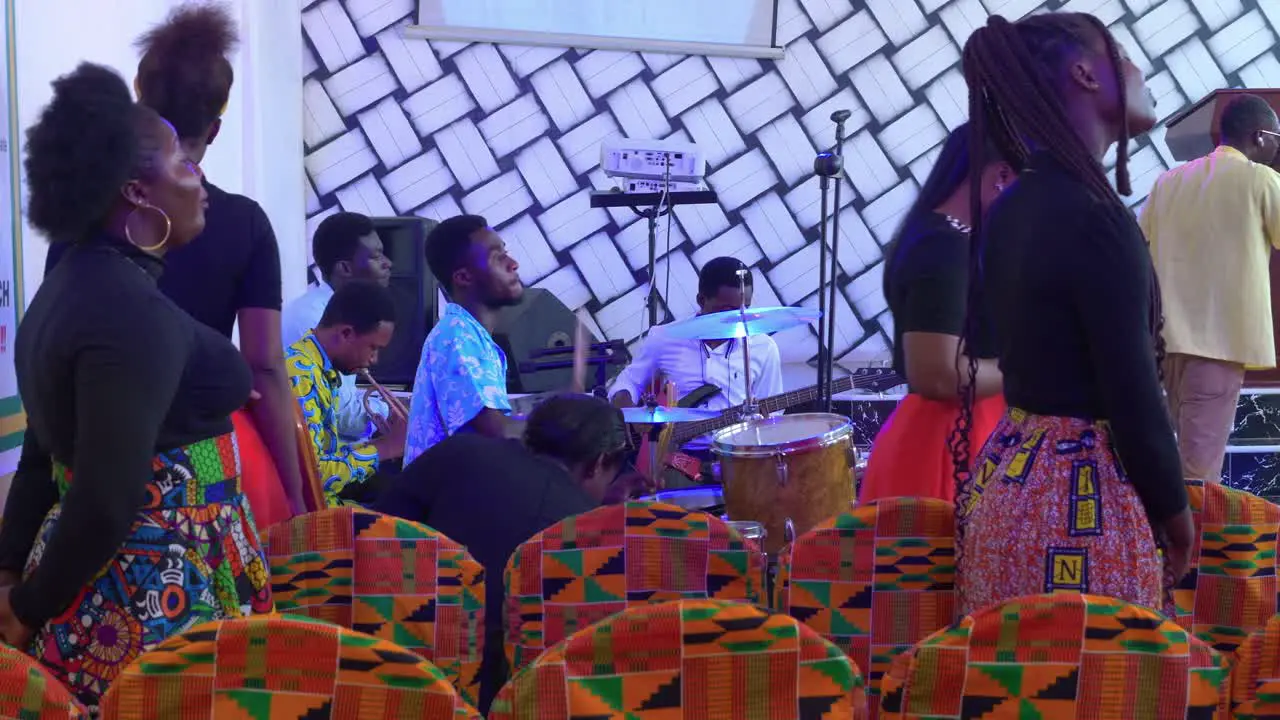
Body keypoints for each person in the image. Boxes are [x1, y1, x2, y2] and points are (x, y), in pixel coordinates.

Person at [0, 63, 271, 709]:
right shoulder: (126, 311)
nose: (198, 176)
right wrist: (27, 605)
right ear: (136, 193)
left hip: (133, 575)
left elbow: (44, 454)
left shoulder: (80, 290)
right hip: (149, 591)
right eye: (182, 164)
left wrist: (13, 574)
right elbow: (105, 497)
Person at [952, 12, 1194, 616]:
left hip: (1010, 484)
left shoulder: (1012, 208)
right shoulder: (1096, 216)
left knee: (1013, 693)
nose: (1140, 70)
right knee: (1098, 687)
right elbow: (1132, 387)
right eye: (1124, 54)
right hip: (1083, 506)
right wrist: (1175, 510)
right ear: (1086, 74)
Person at [44, 4, 305, 527]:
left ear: (138, 103)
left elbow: (56, 351)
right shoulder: (245, 223)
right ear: (214, 128)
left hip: (95, 445)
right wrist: (294, 491)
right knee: (217, 591)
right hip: (204, 447)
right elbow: (265, 364)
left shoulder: (85, 216)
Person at [375, 394, 650, 713]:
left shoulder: (459, 451)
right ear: (600, 462)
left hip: (383, 657)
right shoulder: (583, 535)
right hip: (492, 694)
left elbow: (378, 530)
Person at [859, 124, 1013, 504]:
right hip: (951, 448)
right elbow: (938, 375)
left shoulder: (945, 237)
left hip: (965, 436)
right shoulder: (944, 245)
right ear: (1003, 177)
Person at [1141, 94, 1280, 483]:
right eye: (1278, 139)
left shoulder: (1168, 181)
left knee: (1175, 461)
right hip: (1216, 348)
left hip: (1165, 345)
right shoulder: (1261, 180)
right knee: (1199, 474)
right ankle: (1194, 545)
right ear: (1259, 137)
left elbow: (1139, 246)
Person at [608, 257, 783, 487]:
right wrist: (633, 415)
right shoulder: (665, 337)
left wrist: (760, 423)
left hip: (737, 456)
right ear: (702, 300)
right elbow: (626, 383)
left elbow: (774, 412)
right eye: (727, 310)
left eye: (745, 308)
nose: (738, 318)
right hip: (676, 457)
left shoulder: (762, 347)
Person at [403, 214, 523, 465]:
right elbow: (496, 432)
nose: (513, 264)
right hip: (444, 501)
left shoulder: (470, 334)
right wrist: (560, 423)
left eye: (506, 252)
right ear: (463, 277)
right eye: (496, 257)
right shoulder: (457, 336)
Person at [286, 281, 405, 507]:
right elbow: (315, 475)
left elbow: (327, 454)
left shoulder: (316, 366)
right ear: (346, 333)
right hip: (319, 515)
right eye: (373, 348)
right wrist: (386, 447)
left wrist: (378, 444)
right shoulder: (302, 376)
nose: (374, 359)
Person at [283, 211, 393, 440]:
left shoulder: (320, 307)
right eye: (376, 257)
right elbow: (343, 416)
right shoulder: (318, 317)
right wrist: (393, 413)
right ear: (345, 268)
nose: (388, 264)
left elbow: (342, 398)